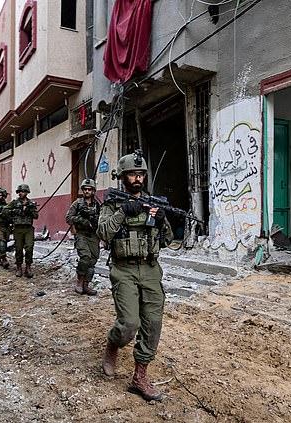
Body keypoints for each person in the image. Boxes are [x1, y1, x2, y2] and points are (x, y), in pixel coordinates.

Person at [97, 150, 173, 401]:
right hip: (124, 269)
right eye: (132, 174)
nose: (137, 178)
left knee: (152, 324)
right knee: (130, 324)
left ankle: (140, 377)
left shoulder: (154, 203)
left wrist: (162, 221)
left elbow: (170, 240)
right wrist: (123, 212)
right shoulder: (111, 204)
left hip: (150, 269)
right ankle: (113, 343)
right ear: (123, 177)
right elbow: (104, 233)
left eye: (141, 174)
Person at [66, 178, 101, 295]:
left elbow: (102, 220)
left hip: (94, 236)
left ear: (93, 191)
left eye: (89, 189)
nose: (87, 191)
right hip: (81, 235)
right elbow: (68, 218)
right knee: (85, 257)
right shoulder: (77, 204)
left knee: (93, 260)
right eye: (85, 189)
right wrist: (82, 220)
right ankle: (79, 281)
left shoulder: (98, 205)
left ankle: (86, 284)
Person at [5, 184, 38, 278]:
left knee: (29, 247)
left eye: (22, 191)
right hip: (18, 228)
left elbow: (36, 216)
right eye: (19, 192)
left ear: (27, 192)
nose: (20, 193)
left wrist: (30, 210)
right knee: (18, 248)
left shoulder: (31, 203)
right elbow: (5, 211)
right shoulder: (14, 203)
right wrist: (16, 211)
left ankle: (28, 267)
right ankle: (19, 267)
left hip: (28, 228)